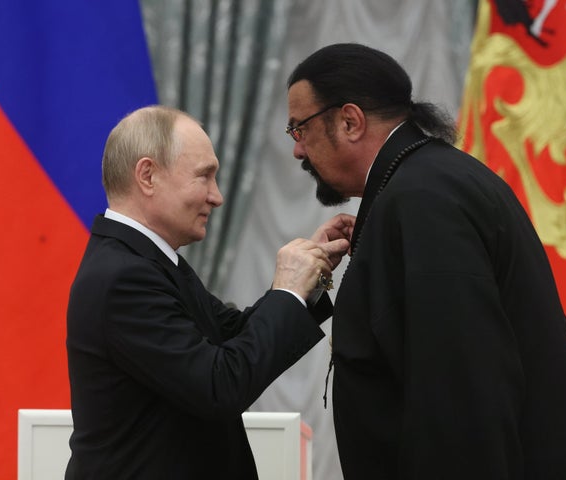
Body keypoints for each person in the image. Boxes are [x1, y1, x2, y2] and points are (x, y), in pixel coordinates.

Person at [285, 43, 566, 479]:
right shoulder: (424, 187)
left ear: (350, 121)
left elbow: (462, 399)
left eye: (299, 129)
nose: (298, 151)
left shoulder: (422, 201)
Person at [65, 105, 354, 479]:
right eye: (205, 176)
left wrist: (306, 278)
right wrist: (286, 290)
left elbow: (232, 334)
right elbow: (220, 385)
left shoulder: (145, 260)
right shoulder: (124, 277)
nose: (217, 197)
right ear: (147, 176)